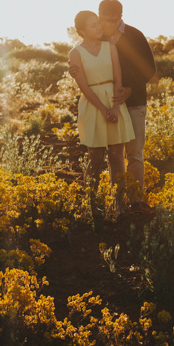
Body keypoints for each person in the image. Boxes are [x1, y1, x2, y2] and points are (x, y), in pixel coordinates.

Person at [71, 0, 156, 209]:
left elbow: (149, 70)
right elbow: (84, 57)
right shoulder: (100, 34)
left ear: (120, 18)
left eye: (113, 21)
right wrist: (74, 67)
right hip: (107, 102)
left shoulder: (135, 36)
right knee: (112, 155)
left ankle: (135, 201)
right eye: (103, 21)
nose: (107, 25)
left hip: (133, 101)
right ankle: (115, 201)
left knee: (134, 153)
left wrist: (129, 90)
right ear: (99, 17)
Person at [68, 11, 136, 203]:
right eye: (93, 25)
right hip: (93, 105)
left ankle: (119, 204)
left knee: (117, 158)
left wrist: (114, 108)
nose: (98, 27)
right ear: (82, 31)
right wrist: (103, 109)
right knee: (96, 158)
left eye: (98, 23)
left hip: (114, 101)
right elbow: (83, 86)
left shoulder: (110, 46)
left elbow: (118, 77)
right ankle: (92, 203)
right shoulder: (75, 53)